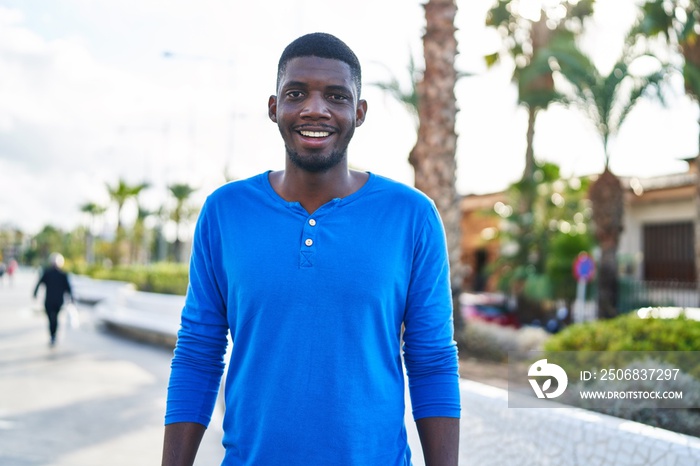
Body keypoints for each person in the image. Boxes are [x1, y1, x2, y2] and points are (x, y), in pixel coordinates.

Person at [162, 32, 460, 466]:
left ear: (358, 113)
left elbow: (432, 360)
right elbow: (198, 352)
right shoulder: (224, 212)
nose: (314, 109)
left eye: (336, 96)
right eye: (296, 93)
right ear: (273, 108)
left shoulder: (411, 215)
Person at [33, 252, 74, 346]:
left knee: (53, 319)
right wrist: (35, 293)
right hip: (53, 301)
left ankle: (53, 335)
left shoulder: (61, 274)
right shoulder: (49, 273)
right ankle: (53, 335)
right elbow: (39, 283)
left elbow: (68, 288)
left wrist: (71, 298)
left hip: (54, 301)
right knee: (53, 319)